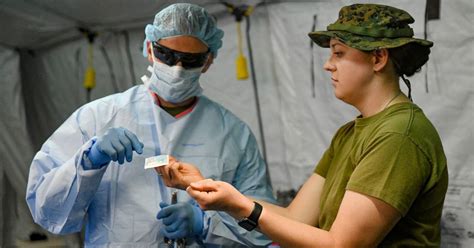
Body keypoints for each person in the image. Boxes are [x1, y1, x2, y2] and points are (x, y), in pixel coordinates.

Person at [158, 4, 449, 247]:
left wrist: (240, 206)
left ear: (378, 58)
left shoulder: (399, 135)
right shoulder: (350, 134)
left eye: (338, 53)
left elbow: (342, 245)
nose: (328, 64)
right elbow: (295, 218)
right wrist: (204, 187)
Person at [25, 3, 275, 247]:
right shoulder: (98, 117)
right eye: (166, 55)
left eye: (190, 60)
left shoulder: (233, 134)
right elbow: (45, 208)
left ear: (208, 61)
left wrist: (206, 224)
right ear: (149, 48)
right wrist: (88, 160)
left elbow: (266, 226)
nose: (177, 69)